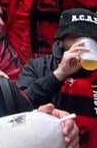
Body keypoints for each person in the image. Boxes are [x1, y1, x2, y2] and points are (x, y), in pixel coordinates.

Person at [18, 8, 97, 144]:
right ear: (62, 38)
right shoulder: (37, 66)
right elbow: (19, 107)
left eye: (92, 39)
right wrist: (60, 74)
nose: (84, 45)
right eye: (75, 37)